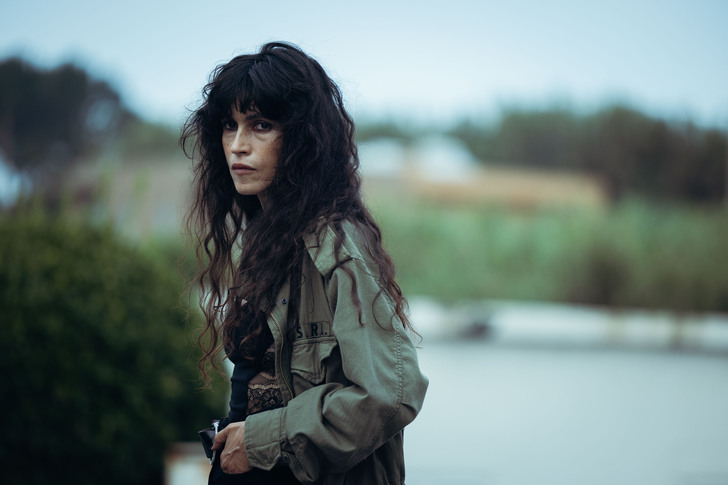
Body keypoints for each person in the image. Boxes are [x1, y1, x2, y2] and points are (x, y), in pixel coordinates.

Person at [181, 41, 428, 485]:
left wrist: (261, 439)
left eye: (260, 125)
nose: (237, 145)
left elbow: (391, 393)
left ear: (302, 138)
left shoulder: (334, 243)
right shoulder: (266, 239)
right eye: (229, 125)